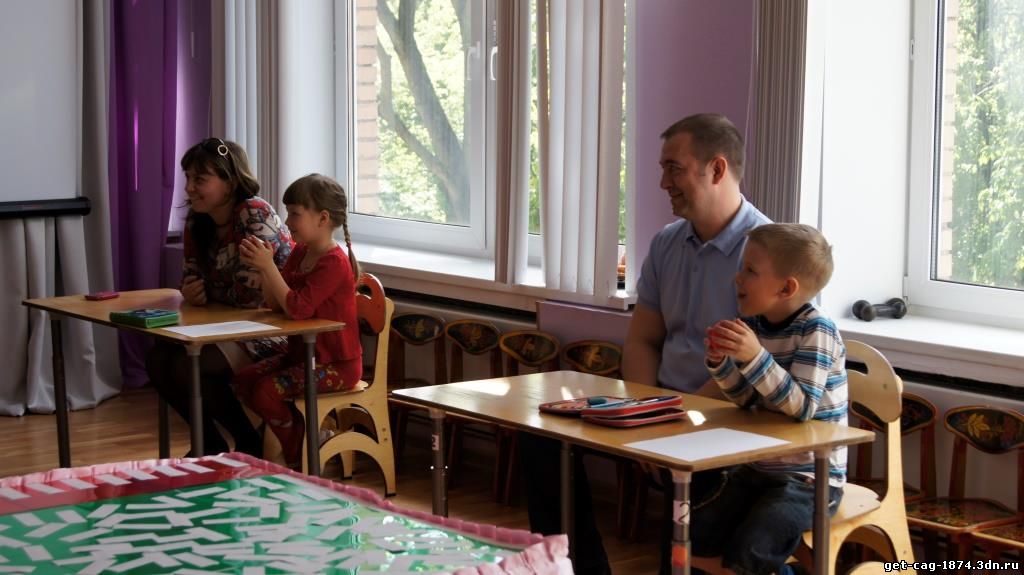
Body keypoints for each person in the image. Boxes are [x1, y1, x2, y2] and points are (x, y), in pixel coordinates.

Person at [519, 113, 769, 574]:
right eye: (662, 168)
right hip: (660, 409)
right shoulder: (666, 244)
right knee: (544, 439)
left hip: (724, 418)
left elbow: (752, 370)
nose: (663, 183)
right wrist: (645, 410)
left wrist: (672, 421)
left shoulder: (767, 254)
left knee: (682, 545)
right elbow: (643, 340)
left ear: (716, 169)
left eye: (674, 168)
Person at [698, 223, 848, 575]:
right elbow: (746, 399)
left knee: (752, 547)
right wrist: (721, 364)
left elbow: (802, 407)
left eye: (751, 270)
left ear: (786, 288)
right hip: (758, 469)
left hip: (810, 479)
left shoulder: (817, 329)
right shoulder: (757, 325)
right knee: (694, 534)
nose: (738, 277)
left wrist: (754, 357)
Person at [146, 138, 293, 457]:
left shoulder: (254, 213)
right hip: (228, 327)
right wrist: (191, 292)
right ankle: (208, 442)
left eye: (200, 179)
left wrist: (208, 292)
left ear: (230, 181)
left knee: (190, 365)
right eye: (188, 178)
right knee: (158, 360)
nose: (189, 188)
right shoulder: (197, 220)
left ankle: (248, 441)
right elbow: (191, 277)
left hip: (276, 329)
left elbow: (251, 296)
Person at [234, 173, 363, 468]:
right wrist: (265, 269)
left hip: (336, 364)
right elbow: (275, 303)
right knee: (244, 380)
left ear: (323, 218)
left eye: (295, 214)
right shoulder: (300, 252)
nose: (287, 221)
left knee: (266, 392)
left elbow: (297, 308)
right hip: (302, 356)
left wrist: (269, 267)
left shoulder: (334, 262)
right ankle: (306, 436)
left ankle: (298, 450)